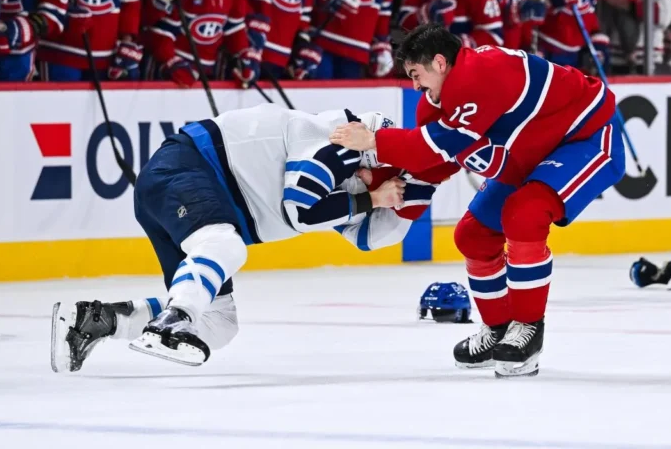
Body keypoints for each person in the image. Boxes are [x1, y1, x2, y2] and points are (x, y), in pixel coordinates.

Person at [330, 24, 626, 378]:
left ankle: (528, 329)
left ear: (440, 63)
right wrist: (383, 199)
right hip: (530, 156)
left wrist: (374, 141)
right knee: (472, 235)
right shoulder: (436, 105)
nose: (415, 86)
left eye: (416, 74)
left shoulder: (479, 75)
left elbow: (434, 145)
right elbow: (432, 165)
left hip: (588, 137)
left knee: (524, 214)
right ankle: (500, 330)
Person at [51, 105, 441, 372]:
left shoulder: (349, 174)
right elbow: (300, 212)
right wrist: (371, 197)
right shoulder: (338, 142)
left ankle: (98, 320)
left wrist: (424, 183)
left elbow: (369, 238)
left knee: (220, 324)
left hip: (183, 186)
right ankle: (173, 321)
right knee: (225, 245)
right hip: (186, 171)